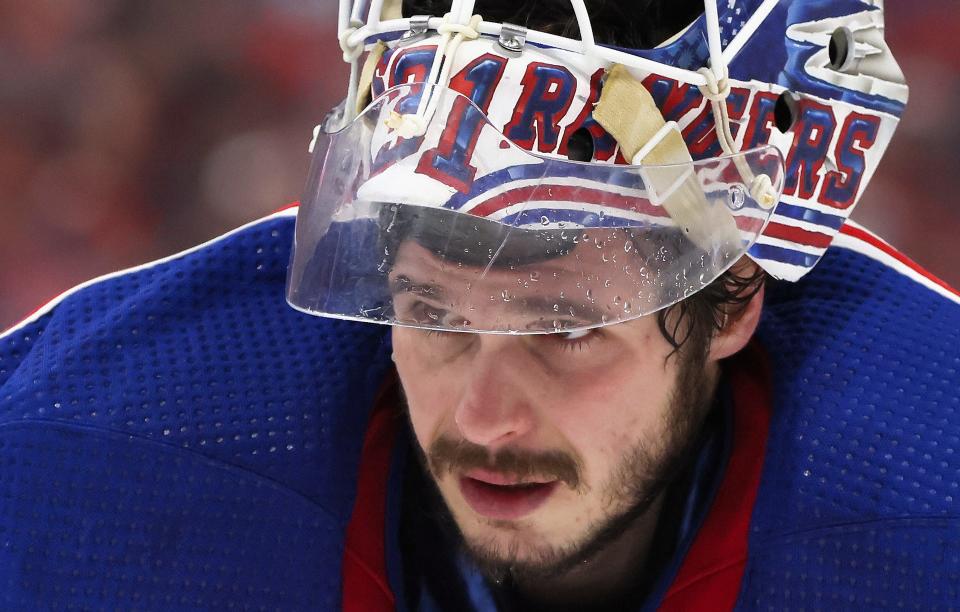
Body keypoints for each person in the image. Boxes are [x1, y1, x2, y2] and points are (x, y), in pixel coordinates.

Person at [0, 0, 957, 610]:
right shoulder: (84, 450)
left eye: (567, 330)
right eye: (432, 314)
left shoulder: (926, 506)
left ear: (734, 301)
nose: (482, 419)